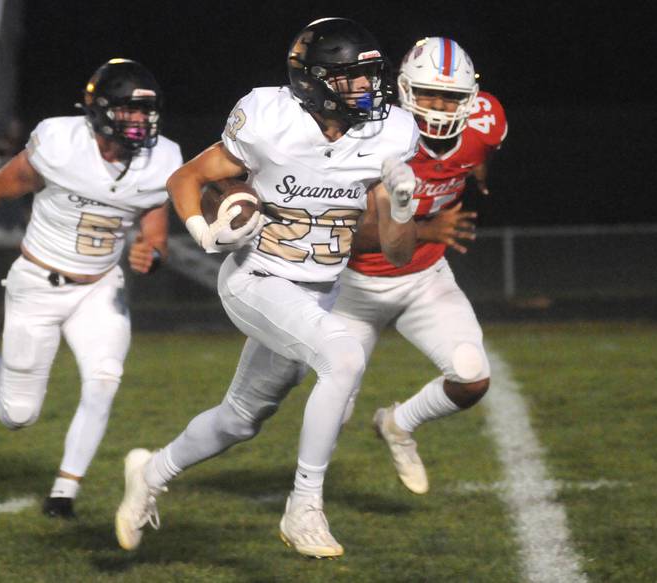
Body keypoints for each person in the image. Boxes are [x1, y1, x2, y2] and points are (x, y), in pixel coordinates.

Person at [113, 17, 430, 559]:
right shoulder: (270, 119)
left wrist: (401, 206)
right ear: (314, 80)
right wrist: (204, 231)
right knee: (344, 356)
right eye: (353, 77)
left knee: (241, 419)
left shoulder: (392, 134)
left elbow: (398, 254)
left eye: (370, 76)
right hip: (256, 278)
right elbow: (184, 179)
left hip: (317, 291)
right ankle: (304, 506)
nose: (367, 89)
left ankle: (150, 472)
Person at [0, 58, 183, 518]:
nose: (142, 122)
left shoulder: (161, 158)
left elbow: (155, 231)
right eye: (130, 111)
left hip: (100, 287)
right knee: (17, 415)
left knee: (104, 380)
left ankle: (64, 493)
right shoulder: (61, 145)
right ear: (101, 110)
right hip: (38, 286)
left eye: (146, 112)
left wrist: (153, 254)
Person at [331, 37, 508, 494]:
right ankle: (305, 502)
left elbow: (479, 156)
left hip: (424, 280)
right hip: (356, 286)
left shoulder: (485, 125)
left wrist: (477, 175)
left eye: (449, 96)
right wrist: (429, 230)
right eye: (427, 93)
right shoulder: (373, 135)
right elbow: (345, 234)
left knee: (471, 376)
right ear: (404, 90)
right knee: (334, 411)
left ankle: (398, 424)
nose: (437, 106)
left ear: (469, 99)